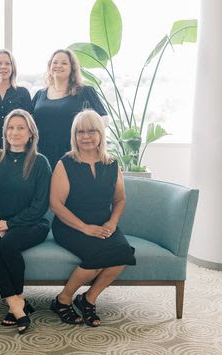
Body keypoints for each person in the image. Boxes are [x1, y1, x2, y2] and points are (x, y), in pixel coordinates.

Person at [49, 110, 136, 327]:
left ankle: (88, 299)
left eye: (91, 131)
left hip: (104, 224)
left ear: (100, 134)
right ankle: (62, 300)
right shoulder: (65, 163)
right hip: (70, 226)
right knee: (98, 257)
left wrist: (112, 223)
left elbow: (120, 200)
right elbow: (55, 205)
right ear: (74, 135)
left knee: (123, 254)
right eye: (80, 132)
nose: (86, 136)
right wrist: (85, 228)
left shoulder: (111, 163)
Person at [0, 109, 51, 334]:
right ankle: (15, 302)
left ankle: (16, 301)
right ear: (4, 132)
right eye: (10, 127)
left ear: (31, 133)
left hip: (31, 223)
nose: (14, 132)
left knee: (7, 244)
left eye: (20, 128)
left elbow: (40, 206)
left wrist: (9, 224)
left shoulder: (39, 162)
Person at [31, 49, 107, 170]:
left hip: (74, 155)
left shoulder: (85, 91)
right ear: (50, 66)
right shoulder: (40, 94)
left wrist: (89, 138)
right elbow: (27, 122)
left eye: (64, 63)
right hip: (41, 156)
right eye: (55, 62)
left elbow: (103, 118)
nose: (58, 66)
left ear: (72, 68)